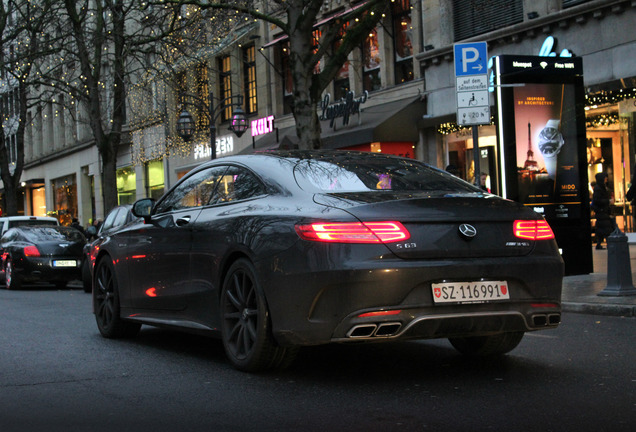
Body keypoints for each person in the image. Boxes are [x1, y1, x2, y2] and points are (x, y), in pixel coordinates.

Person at [591, 172, 614, 249]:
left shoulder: (600, 187)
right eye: (605, 177)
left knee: (602, 228)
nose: (606, 179)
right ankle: (607, 243)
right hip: (602, 211)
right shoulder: (599, 188)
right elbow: (597, 200)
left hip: (602, 211)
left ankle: (599, 243)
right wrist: (608, 201)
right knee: (606, 227)